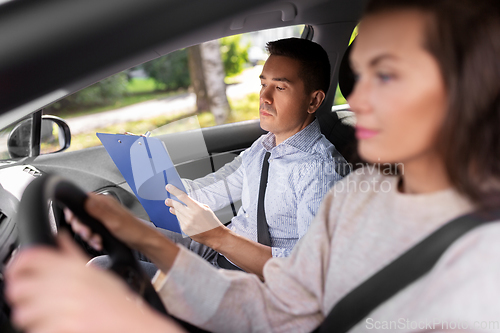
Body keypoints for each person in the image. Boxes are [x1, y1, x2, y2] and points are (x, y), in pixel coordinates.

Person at [7, 0, 500, 332]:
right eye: (359, 77)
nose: (360, 100)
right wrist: (142, 234)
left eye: (388, 75)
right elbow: (283, 302)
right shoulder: (362, 194)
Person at [76, 37, 345, 279]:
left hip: (250, 283)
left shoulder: (319, 171)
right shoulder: (262, 148)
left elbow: (309, 270)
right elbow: (206, 192)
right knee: (115, 230)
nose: (264, 97)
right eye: (263, 84)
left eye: (280, 88)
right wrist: (146, 164)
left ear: (313, 101)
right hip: (217, 253)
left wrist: (219, 237)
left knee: (102, 271)